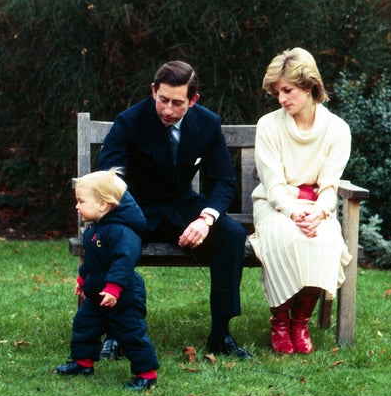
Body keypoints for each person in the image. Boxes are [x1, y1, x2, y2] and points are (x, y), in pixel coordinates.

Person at [97, 60, 252, 360]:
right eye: (162, 99)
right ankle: (115, 333)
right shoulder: (129, 121)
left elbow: (224, 181)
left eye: (177, 103)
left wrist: (205, 219)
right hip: (134, 207)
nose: (167, 109)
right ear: (153, 90)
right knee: (115, 240)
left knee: (231, 235)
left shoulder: (207, 123)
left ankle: (221, 334)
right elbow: (109, 176)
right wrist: (125, 218)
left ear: (193, 100)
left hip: (181, 206)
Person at [249, 48, 352, 354]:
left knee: (325, 241)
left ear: (308, 87)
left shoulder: (338, 130)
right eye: (277, 92)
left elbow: (330, 186)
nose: (281, 99)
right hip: (274, 204)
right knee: (285, 238)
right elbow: (274, 184)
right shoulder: (269, 125)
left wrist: (319, 213)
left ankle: (300, 322)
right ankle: (280, 321)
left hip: (317, 209)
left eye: (288, 90)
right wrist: (294, 213)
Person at [55, 168, 160, 391]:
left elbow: (124, 261)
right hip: (97, 295)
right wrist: (83, 279)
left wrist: (114, 288)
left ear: (103, 205)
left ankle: (146, 374)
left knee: (131, 331)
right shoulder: (95, 230)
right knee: (84, 325)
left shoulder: (122, 232)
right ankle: (83, 363)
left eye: (81, 201)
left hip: (123, 295)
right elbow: (93, 261)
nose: (77, 206)